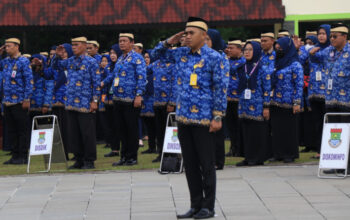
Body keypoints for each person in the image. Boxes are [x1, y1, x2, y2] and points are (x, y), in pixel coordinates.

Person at [151, 17, 229, 219]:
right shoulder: (180, 54)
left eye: (191, 33)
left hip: (204, 118)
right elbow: (155, 55)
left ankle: (208, 206)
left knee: (206, 164)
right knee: (191, 164)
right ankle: (195, 204)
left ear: (204, 35)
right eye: (185, 32)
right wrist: (170, 41)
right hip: (184, 117)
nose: (187, 36)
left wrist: (218, 116)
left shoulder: (215, 57)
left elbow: (220, 89)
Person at [310, 23, 350, 174]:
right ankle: (336, 164)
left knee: (347, 133)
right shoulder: (329, 51)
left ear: (344, 37)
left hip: (346, 99)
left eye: (335, 36)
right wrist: (312, 53)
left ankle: (347, 165)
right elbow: (315, 60)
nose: (331, 39)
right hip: (331, 98)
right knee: (335, 133)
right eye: (331, 36)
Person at [103, 33, 147, 166]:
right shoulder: (120, 59)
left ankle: (132, 157)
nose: (121, 43)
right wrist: (103, 83)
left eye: (124, 41)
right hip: (118, 99)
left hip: (131, 100)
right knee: (121, 130)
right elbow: (113, 76)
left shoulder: (137, 58)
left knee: (131, 130)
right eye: (120, 41)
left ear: (132, 43)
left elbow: (142, 77)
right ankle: (124, 157)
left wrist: (139, 95)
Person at [58, 36, 101, 169]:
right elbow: (55, 66)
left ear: (84, 45)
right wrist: (58, 56)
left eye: (76, 45)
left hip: (85, 102)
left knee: (87, 133)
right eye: (72, 45)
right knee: (74, 133)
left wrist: (94, 101)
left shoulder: (91, 62)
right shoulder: (70, 61)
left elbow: (97, 84)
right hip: (71, 102)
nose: (73, 47)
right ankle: (78, 159)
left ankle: (89, 160)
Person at [236, 41, 271, 166]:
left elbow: (267, 89)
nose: (247, 52)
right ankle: (248, 157)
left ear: (256, 51)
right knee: (246, 132)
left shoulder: (262, 68)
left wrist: (266, 106)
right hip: (244, 105)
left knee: (257, 132)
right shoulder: (242, 67)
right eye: (245, 49)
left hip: (258, 105)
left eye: (250, 49)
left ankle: (257, 158)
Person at [270, 37, 304, 163]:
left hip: (289, 103)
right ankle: (278, 153)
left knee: (289, 129)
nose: (278, 50)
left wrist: (297, 103)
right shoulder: (276, 62)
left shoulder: (295, 64)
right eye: (276, 48)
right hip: (276, 101)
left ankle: (290, 154)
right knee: (277, 129)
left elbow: (299, 84)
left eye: (280, 48)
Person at [2, 38, 33, 165]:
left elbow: (29, 81)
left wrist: (27, 98)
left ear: (16, 46)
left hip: (19, 101)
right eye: (5, 46)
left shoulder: (23, 61)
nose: (6, 48)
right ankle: (15, 156)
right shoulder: (5, 62)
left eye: (9, 46)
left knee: (22, 130)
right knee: (11, 130)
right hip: (7, 101)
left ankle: (23, 156)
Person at [149, 39, 176, 163]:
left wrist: (172, 102)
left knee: (170, 130)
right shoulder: (156, 64)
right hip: (157, 101)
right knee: (159, 130)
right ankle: (161, 153)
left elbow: (176, 85)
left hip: (168, 103)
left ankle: (171, 154)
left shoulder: (174, 64)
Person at [205, 28, 229, 170]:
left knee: (217, 134)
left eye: (208, 40)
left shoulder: (220, 57)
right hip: (204, 102)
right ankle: (208, 160)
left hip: (217, 101)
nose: (205, 42)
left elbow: (222, 83)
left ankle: (218, 161)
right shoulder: (204, 56)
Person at [307, 24, 331, 158]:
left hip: (327, 93)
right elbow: (302, 59)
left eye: (323, 33)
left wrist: (311, 53)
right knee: (317, 123)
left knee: (327, 122)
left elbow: (320, 57)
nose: (321, 36)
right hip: (313, 92)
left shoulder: (331, 50)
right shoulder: (313, 49)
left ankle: (329, 149)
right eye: (319, 33)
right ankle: (319, 150)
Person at [225, 38, 245, 157]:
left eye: (231, 48)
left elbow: (232, 69)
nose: (229, 50)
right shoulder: (227, 60)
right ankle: (233, 147)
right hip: (228, 98)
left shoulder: (242, 61)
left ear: (239, 49)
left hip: (238, 98)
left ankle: (239, 148)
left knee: (238, 125)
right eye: (228, 47)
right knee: (231, 125)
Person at [103, 44, 122, 157]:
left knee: (118, 125)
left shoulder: (120, 65)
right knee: (110, 125)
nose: (112, 55)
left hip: (118, 98)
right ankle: (114, 149)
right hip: (108, 99)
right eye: (111, 53)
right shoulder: (108, 66)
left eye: (114, 53)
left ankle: (121, 148)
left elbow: (111, 77)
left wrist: (102, 82)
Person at [140, 51, 157, 154]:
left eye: (148, 57)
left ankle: (158, 147)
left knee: (156, 125)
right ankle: (151, 147)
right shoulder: (143, 71)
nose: (146, 59)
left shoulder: (155, 70)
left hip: (154, 100)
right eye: (145, 57)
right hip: (145, 100)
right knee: (148, 125)